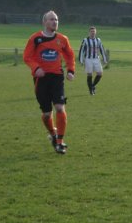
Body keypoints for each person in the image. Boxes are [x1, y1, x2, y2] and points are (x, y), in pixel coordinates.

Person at [23, 10, 76, 154]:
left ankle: (60, 142)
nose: (55, 22)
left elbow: (70, 55)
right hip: (41, 79)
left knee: (59, 108)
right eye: (52, 19)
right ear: (45, 22)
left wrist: (71, 71)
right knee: (47, 114)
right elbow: (27, 57)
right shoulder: (35, 38)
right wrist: (36, 68)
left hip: (57, 77)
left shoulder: (62, 39)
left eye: (57, 19)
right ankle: (53, 134)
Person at [78, 26, 108, 95]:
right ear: (89, 32)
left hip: (96, 59)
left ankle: (92, 86)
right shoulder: (85, 40)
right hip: (88, 59)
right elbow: (82, 50)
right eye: (91, 31)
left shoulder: (98, 40)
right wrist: (81, 60)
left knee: (100, 73)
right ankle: (91, 90)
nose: (93, 33)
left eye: (94, 31)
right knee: (89, 74)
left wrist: (105, 59)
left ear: (96, 32)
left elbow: (102, 50)